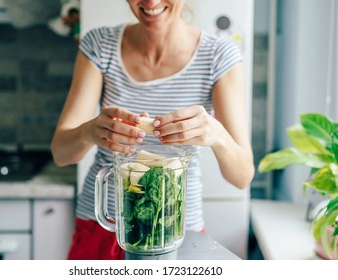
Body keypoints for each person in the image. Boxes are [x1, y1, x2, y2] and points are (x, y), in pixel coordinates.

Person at [50, 0, 255, 260]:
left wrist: (216, 134)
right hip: (103, 226)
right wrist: (89, 131)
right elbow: (61, 153)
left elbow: (242, 176)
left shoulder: (219, 56)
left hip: (174, 231)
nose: (151, 2)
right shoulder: (99, 45)